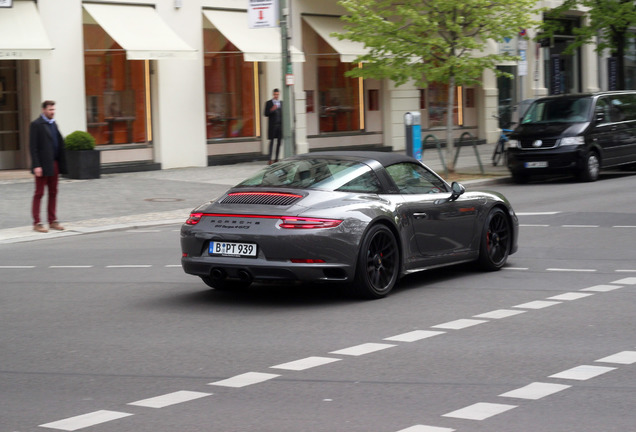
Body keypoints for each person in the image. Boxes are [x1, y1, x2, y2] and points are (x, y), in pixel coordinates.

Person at [30, 100, 68, 233]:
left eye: (53, 109)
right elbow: (33, 147)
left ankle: (52, 221)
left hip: (54, 164)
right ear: (44, 110)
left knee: (53, 193)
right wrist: (36, 166)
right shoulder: (36, 124)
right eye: (50, 110)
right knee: (39, 193)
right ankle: (37, 222)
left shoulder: (54, 124)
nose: (53, 112)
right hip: (42, 165)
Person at [264, 88, 282, 164]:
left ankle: (276, 158)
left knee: (279, 142)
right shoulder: (269, 103)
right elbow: (265, 113)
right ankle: (270, 159)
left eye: (277, 94)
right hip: (272, 126)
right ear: (273, 94)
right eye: (275, 94)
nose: (276, 96)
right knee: (272, 142)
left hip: (280, 126)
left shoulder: (281, 103)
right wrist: (272, 109)